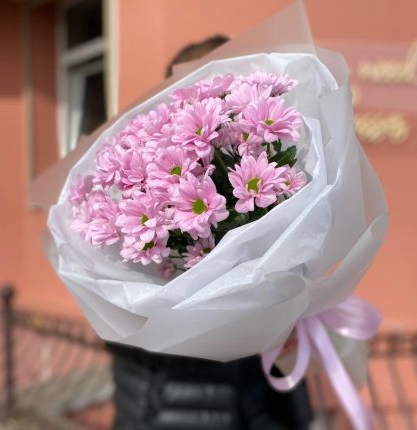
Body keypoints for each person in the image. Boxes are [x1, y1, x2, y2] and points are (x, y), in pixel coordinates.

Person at [108, 35, 313, 430]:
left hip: (262, 405)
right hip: (171, 405)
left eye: (230, 88)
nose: (218, 100)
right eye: (209, 86)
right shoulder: (131, 188)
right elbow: (116, 312)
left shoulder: (255, 159)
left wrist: (288, 312)